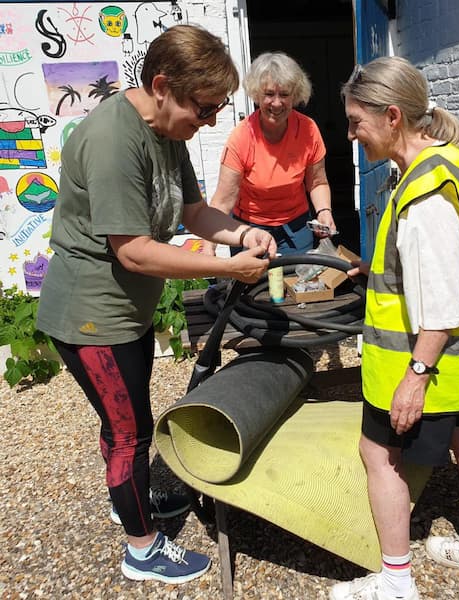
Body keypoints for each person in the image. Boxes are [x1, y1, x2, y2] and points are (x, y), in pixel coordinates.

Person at [36, 25, 276, 585]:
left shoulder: (167, 133)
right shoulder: (114, 140)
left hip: (128, 313)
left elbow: (193, 213)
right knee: (130, 433)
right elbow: (137, 253)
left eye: (218, 108)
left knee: (124, 424)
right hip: (92, 316)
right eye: (204, 107)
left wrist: (242, 235)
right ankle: (141, 549)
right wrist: (227, 266)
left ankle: (130, 504)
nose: (211, 120)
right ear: (162, 85)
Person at [330, 57, 459, 600]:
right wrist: (373, 267)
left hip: (427, 361)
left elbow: (444, 302)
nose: (352, 133)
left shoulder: (424, 194)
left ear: (390, 117)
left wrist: (416, 374)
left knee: (378, 454)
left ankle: (395, 581)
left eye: (356, 121)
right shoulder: (446, 161)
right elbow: (434, 266)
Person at [204, 51, 336, 257]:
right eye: (268, 94)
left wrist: (324, 211)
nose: (276, 103)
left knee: (298, 284)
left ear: (295, 95)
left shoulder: (308, 130)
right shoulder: (241, 137)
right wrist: (208, 246)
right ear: (256, 95)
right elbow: (223, 201)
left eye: (284, 95)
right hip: (250, 229)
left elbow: (317, 182)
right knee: (256, 287)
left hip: (297, 227)